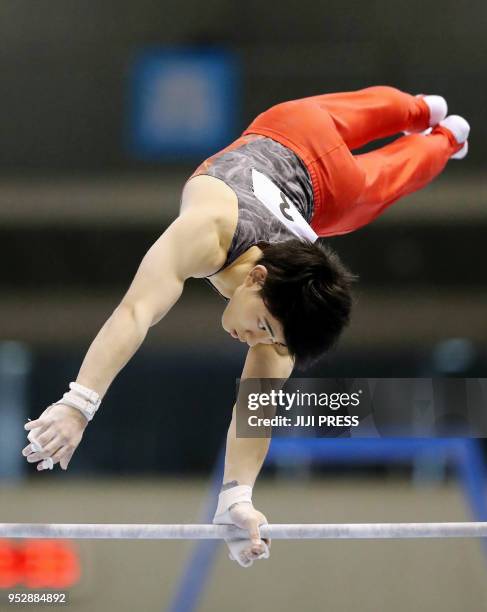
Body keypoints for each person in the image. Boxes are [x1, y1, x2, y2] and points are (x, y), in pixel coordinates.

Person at [22, 86, 470, 567]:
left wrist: (236, 500)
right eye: (262, 326)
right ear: (258, 278)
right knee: (370, 177)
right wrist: (78, 404)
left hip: (313, 185)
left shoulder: (281, 326)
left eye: (269, 338)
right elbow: (135, 312)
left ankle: (444, 134)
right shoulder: (208, 229)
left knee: (382, 182)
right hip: (290, 135)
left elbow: (254, 412)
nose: (257, 341)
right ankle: (423, 110)